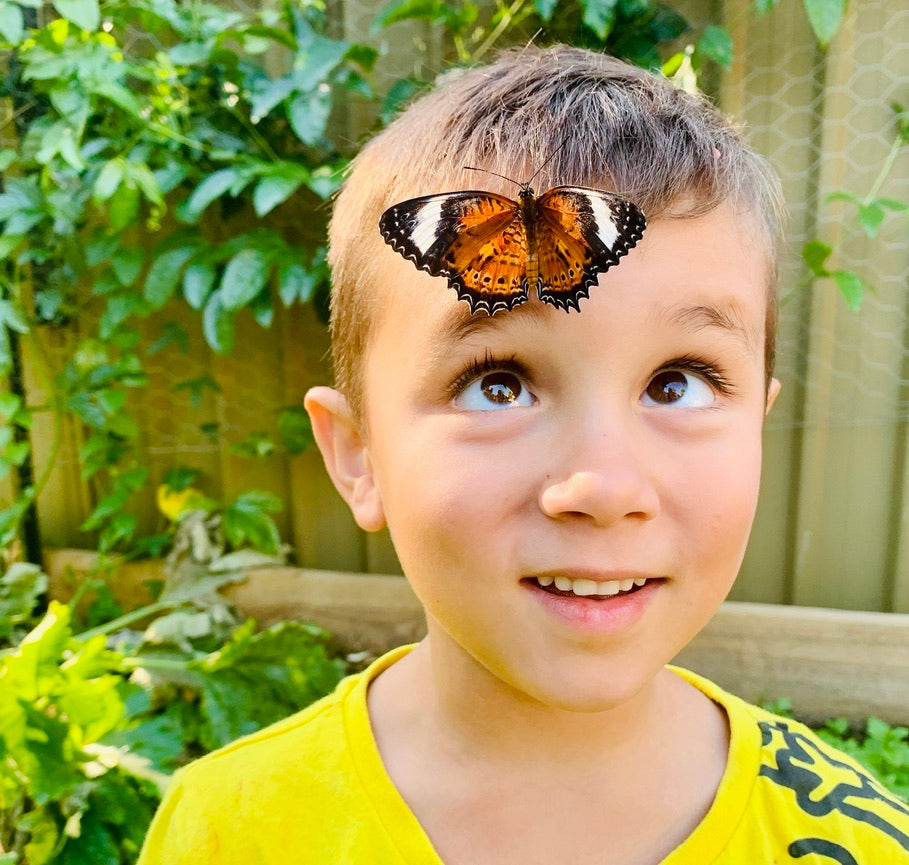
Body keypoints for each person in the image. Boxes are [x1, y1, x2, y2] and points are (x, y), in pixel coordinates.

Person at [137, 45, 909, 863]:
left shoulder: (860, 842)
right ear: (359, 457)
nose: (604, 486)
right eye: (495, 383)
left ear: (756, 422)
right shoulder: (228, 831)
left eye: (676, 382)